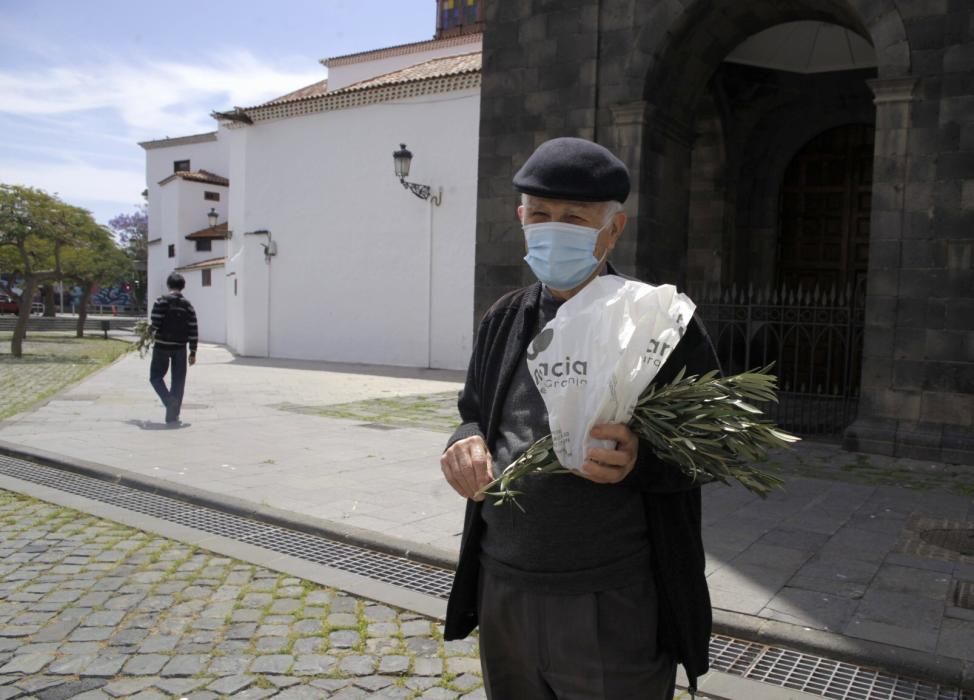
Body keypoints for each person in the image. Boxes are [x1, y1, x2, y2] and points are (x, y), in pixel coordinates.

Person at [440, 137, 721, 699]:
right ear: (520, 217)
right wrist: (464, 442)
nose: (551, 229)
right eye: (539, 215)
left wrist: (640, 460)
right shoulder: (504, 319)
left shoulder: (659, 323)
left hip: (612, 600)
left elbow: (714, 443)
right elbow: (473, 412)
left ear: (612, 230)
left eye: (573, 218)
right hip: (505, 592)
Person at [149, 272, 198, 425]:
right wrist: (193, 351)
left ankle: (169, 400)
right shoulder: (188, 305)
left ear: (168, 285)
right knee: (178, 380)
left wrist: (148, 334)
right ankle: (173, 416)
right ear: (182, 287)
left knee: (156, 377)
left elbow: (155, 322)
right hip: (180, 348)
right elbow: (193, 328)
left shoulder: (161, 301)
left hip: (161, 346)